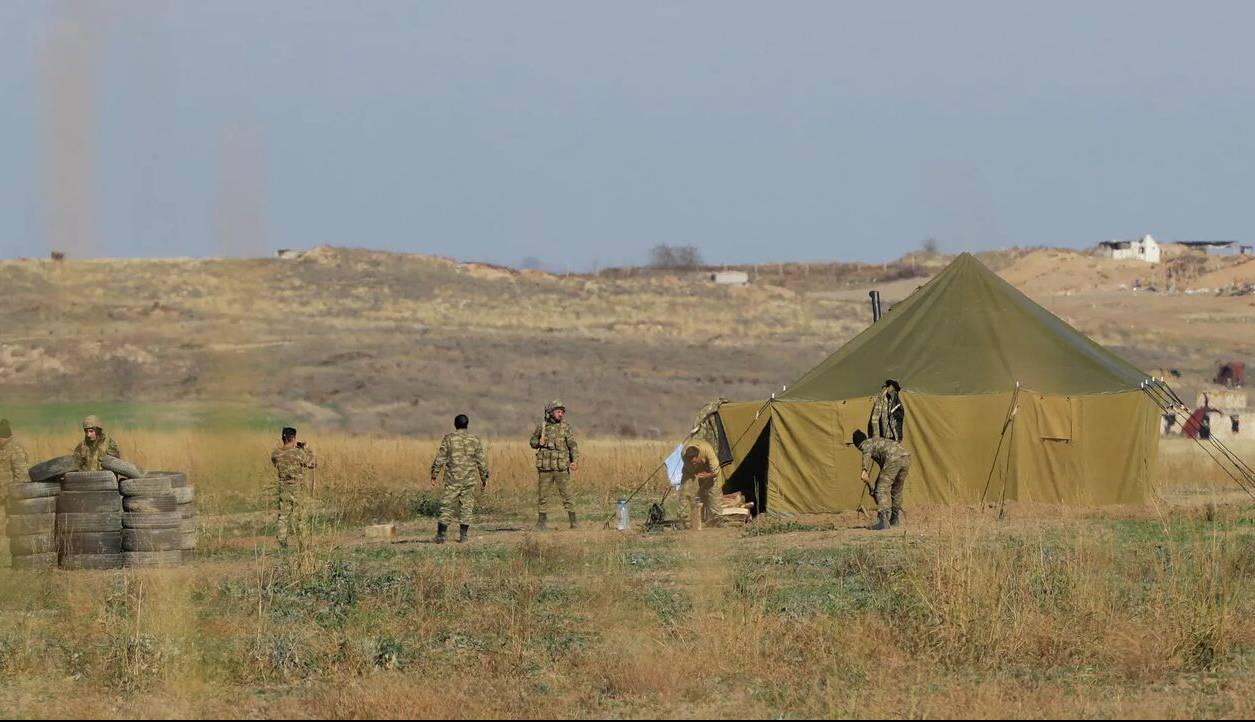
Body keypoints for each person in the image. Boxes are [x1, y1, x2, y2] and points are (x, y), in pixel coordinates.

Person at [430, 414, 489, 544]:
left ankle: (441, 535)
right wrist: (484, 478)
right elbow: (481, 462)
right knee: (466, 506)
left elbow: (440, 458)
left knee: (447, 505)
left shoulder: (449, 439)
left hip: (452, 479)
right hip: (469, 479)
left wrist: (434, 475)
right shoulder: (475, 440)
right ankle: (463, 536)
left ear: (455, 424)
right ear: (467, 424)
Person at [529, 400, 580, 530]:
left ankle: (574, 522)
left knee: (567, 495)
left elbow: (572, 445)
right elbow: (532, 442)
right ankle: (541, 523)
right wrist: (538, 442)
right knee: (543, 496)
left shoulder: (565, 427)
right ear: (551, 412)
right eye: (558, 411)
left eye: (562, 412)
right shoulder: (543, 427)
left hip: (561, 468)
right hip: (545, 468)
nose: (561, 414)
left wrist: (575, 461)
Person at [852, 429, 910, 531]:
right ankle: (895, 519)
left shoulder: (866, 444)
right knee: (896, 490)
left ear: (858, 444)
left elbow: (866, 453)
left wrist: (864, 470)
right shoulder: (876, 441)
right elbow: (884, 468)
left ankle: (884, 521)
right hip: (905, 458)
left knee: (880, 490)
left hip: (893, 459)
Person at [270, 426, 317, 550]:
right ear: (294, 438)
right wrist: (307, 449)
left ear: (283, 438)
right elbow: (312, 464)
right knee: (300, 516)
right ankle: (303, 543)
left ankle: (282, 542)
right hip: (297, 487)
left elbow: (275, 462)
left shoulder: (276, 453)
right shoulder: (298, 453)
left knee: (283, 516)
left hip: (283, 486)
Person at [680, 439, 725, 526]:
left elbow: (716, 471)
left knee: (714, 490)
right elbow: (691, 470)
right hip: (690, 472)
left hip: (709, 469)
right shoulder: (684, 454)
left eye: (694, 461)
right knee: (686, 491)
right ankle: (683, 519)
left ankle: (717, 518)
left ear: (698, 457)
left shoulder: (708, 450)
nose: (693, 463)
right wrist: (697, 475)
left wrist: (707, 475)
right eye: (691, 462)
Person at [1, 419, 30, 494]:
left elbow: (22, 477)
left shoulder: (15, 450)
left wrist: (11, 495)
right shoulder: (2, 448)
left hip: (8, 498)